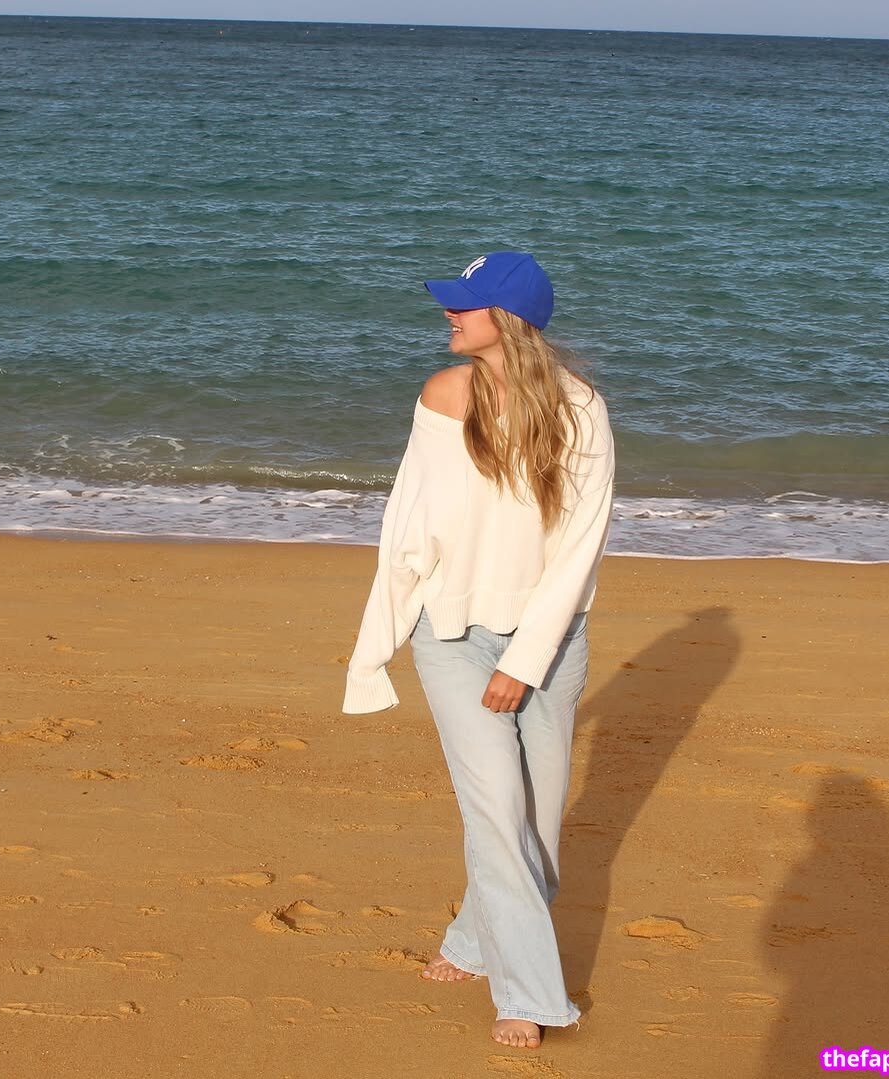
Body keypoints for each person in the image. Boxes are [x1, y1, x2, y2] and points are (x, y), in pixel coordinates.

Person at [342, 251, 615, 1050]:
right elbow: (407, 525)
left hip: (550, 642)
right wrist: (376, 646)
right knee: (496, 813)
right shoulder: (442, 395)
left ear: (511, 319)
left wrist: (523, 662)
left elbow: (580, 548)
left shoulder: (581, 408)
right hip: (452, 634)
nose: (448, 314)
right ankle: (529, 995)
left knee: (536, 836)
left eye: (465, 304)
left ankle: (469, 938)